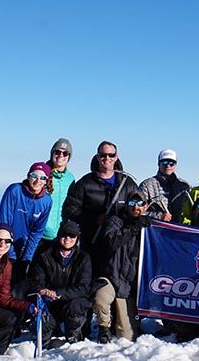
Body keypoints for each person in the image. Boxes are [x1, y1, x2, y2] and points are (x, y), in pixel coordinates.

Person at [62, 140, 138, 276]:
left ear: (116, 157)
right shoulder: (85, 183)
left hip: (120, 248)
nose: (107, 158)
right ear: (97, 157)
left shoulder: (128, 184)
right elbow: (70, 209)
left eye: (111, 155)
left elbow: (137, 208)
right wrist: (92, 219)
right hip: (93, 244)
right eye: (103, 155)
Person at [94, 190, 150, 343]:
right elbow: (111, 241)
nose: (136, 207)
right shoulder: (115, 221)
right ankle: (103, 327)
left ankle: (127, 322)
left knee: (127, 336)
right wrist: (132, 229)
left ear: (145, 207)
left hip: (130, 285)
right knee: (101, 298)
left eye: (140, 204)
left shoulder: (149, 227)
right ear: (126, 205)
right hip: (112, 277)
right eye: (132, 203)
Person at [28, 220, 92, 347]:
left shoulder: (83, 258)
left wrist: (59, 294)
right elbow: (36, 280)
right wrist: (43, 291)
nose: (68, 238)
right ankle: (43, 342)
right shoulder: (45, 256)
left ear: (77, 238)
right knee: (44, 319)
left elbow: (83, 287)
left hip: (71, 302)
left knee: (76, 306)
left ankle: (73, 338)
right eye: (64, 235)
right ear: (59, 236)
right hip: (50, 302)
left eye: (72, 235)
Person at [0, 161, 53, 292]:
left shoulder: (46, 201)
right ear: (28, 176)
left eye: (43, 177)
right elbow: (4, 222)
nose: (38, 180)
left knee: (18, 287)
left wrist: (27, 258)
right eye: (34, 175)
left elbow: (37, 232)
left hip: (22, 248)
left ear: (46, 181)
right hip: (3, 246)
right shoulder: (15, 190)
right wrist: (11, 255)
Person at [0, 223, 35, 356]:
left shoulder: (5, 265)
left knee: (10, 318)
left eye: (7, 241)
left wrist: (27, 307)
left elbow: (3, 297)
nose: (2, 244)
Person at [39, 138, 76, 253]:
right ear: (52, 154)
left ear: (69, 157)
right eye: (57, 152)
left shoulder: (70, 178)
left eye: (65, 153)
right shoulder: (42, 174)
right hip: (40, 234)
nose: (61, 155)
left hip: (60, 235)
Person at [138, 149, 191, 223]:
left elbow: (191, 212)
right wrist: (159, 216)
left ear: (176, 164)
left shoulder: (184, 186)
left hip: (180, 230)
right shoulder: (146, 185)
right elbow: (138, 211)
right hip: (157, 230)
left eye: (171, 163)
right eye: (164, 162)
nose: (168, 165)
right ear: (159, 164)